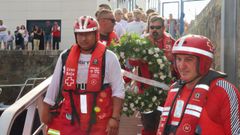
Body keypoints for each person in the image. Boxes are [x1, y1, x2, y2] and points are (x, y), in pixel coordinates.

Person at [39, 16, 125, 135]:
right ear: (75, 36)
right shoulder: (65, 56)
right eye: (80, 34)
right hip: (71, 112)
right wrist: (45, 109)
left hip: (99, 113)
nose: (84, 39)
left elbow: (118, 91)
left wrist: (115, 118)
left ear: (96, 34)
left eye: (88, 34)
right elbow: (55, 84)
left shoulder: (109, 57)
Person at [157, 34, 240, 135]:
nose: (181, 66)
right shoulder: (174, 89)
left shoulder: (223, 91)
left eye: (188, 59)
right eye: (178, 59)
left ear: (204, 62)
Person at [127, 15, 175, 135]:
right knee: (148, 124)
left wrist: (171, 59)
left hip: (165, 91)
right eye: (152, 27)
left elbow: (179, 64)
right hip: (146, 90)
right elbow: (131, 61)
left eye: (157, 27)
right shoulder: (142, 41)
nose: (154, 30)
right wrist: (141, 58)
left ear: (163, 28)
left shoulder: (172, 42)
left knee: (164, 124)